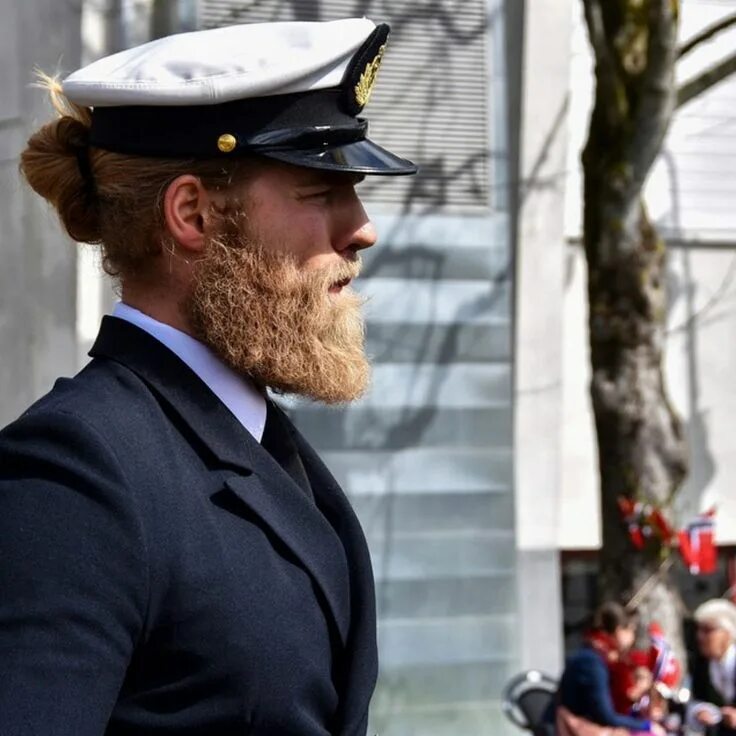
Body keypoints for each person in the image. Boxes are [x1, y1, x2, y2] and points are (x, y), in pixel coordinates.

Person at [0, 18, 416, 736]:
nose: (362, 227)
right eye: (321, 192)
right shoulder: (75, 473)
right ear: (192, 213)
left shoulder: (252, 439)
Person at [550, 603, 667, 735]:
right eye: (630, 630)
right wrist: (646, 725)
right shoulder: (592, 662)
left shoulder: (594, 655)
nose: (632, 637)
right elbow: (605, 716)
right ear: (619, 631)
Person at [688, 599, 736, 735]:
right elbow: (697, 699)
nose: (699, 637)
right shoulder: (701, 665)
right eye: (699, 630)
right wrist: (700, 710)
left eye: (707, 631)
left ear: (727, 634)